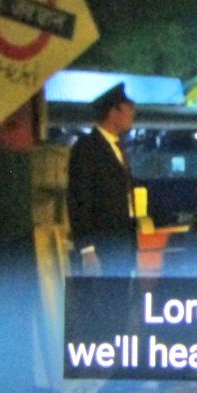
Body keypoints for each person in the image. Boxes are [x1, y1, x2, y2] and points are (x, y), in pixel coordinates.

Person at [67, 83, 138, 277]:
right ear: (113, 112)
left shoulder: (119, 147)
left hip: (123, 242)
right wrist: (87, 248)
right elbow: (79, 198)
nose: (132, 114)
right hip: (103, 243)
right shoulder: (88, 148)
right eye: (128, 109)